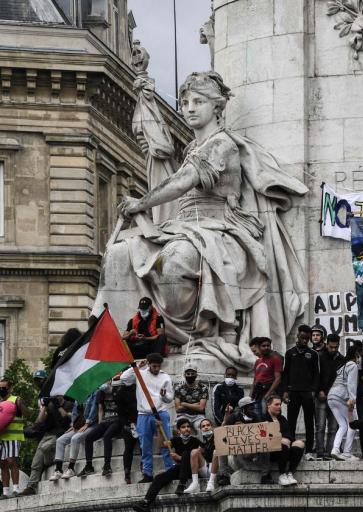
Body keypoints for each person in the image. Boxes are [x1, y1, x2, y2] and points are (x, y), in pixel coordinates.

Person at [93, 71, 308, 367]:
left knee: (176, 260)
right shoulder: (192, 148)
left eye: (198, 101)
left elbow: (184, 180)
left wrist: (141, 202)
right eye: (185, 102)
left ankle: (204, 333)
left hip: (221, 230)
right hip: (185, 228)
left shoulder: (222, 145)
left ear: (217, 107)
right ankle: (123, 346)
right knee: (118, 254)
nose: (189, 108)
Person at [119, 353, 174, 482]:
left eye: (158, 366)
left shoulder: (165, 376)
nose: (156, 369)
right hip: (143, 414)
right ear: (148, 364)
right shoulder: (140, 374)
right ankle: (147, 474)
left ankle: (170, 470)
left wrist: (163, 396)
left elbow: (170, 397)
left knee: (166, 443)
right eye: (154, 366)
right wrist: (136, 367)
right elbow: (123, 378)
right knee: (145, 445)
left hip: (160, 412)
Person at [132, 417, 203, 512]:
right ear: (178, 431)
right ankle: (146, 502)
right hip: (179, 469)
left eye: (188, 426)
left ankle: (182, 484)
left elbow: (199, 459)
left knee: (187, 453)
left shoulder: (196, 441)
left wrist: (179, 458)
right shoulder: (176, 440)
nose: (186, 429)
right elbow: (161, 444)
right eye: (183, 427)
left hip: (192, 470)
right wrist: (159, 430)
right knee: (159, 477)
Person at [18, 395, 72, 495]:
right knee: (36, 462)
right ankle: (31, 487)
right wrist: (43, 407)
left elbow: (66, 417)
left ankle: (49, 462)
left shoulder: (69, 404)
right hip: (47, 434)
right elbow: (39, 421)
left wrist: (58, 406)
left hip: (61, 434)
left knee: (45, 448)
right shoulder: (50, 405)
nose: (54, 395)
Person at [282, 324, 319, 456]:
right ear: (298, 336)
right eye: (302, 337)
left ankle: (309, 449)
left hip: (307, 392)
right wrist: (285, 391)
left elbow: (316, 374)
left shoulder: (313, 354)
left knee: (310, 421)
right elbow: (285, 373)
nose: (304, 341)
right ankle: (291, 445)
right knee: (291, 420)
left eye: (307, 339)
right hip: (293, 392)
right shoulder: (290, 353)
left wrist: (313, 390)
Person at [51, 388, 100, 479]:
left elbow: (94, 409)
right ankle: (58, 470)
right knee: (60, 440)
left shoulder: (95, 393)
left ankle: (71, 468)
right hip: (80, 425)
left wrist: (87, 423)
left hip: (91, 425)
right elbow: (74, 412)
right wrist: (73, 425)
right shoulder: (80, 396)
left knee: (75, 438)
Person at [81, 380, 123, 476]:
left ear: (110, 381)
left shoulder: (117, 391)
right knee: (89, 437)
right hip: (106, 421)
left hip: (117, 420)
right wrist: (100, 424)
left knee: (107, 436)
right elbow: (100, 410)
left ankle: (107, 465)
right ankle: (89, 466)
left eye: (105, 381)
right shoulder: (100, 393)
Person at [263, 394, 305, 487]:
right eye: (276, 404)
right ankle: (282, 475)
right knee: (282, 444)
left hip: (285, 448)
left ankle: (290, 473)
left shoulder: (282, 419)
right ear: (268, 405)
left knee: (300, 444)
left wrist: (287, 440)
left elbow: (289, 435)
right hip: (271, 452)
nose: (279, 407)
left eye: (280, 404)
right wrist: (280, 439)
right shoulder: (263, 418)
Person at [327, 343, 359, 461]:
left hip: (331, 396)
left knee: (343, 425)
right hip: (342, 396)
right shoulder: (353, 365)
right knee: (353, 424)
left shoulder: (342, 366)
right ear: (357, 354)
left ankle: (335, 449)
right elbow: (351, 384)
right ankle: (346, 453)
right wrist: (352, 400)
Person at [316, 333, 343, 459]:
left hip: (336, 397)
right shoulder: (319, 356)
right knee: (320, 426)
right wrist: (319, 390)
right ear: (326, 344)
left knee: (333, 427)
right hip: (321, 396)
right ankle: (320, 452)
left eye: (336, 347)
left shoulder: (341, 359)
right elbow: (314, 376)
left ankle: (329, 452)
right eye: (331, 347)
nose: (333, 349)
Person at [0, 378, 26, 498]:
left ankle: (16, 489)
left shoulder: (16, 400)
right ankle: (5, 491)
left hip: (14, 436)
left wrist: (21, 406)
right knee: (3, 464)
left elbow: (27, 414)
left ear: (10, 388)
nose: (1, 390)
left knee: (12, 461)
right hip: (1, 437)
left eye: (4, 388)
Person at [113, 375, 140, 484]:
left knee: (143, 445)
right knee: (128, 447)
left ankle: (144, 467)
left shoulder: (138, 389)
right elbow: (120, 412)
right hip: (128, 423)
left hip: (140, 420)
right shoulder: (120, 393)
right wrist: (126, 424)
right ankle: (127, 472)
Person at [249, 337, 283, 418]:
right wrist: (250, 394)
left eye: (268, 345)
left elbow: (278, 378)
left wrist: (268, 394)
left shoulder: (276, 359)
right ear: (259, 347)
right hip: (257, 393)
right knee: (257, 417)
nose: (266, 347)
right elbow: (255, 380)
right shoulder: (258, 361)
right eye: (263, 346)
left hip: (268, 392)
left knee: (267, 417)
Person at [183, 418, 218, 493]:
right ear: (200, 429)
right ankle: (195, 484)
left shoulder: (218, 437)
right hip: (206, 468)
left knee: (216, 451)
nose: (206, 427)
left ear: (212, 427)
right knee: (194, 451)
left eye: (208, 425)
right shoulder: (201, 442)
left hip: (217, 469)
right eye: (203, 426)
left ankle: (211, 482)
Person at [174, 364, 208, 432]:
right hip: (183, 415)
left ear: (196, 375)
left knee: (203, 428)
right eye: (188, 374)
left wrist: (184, 404)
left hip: (198, 416)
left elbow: (201, 408)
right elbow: (178, 408)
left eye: (192, 373)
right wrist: (196, 404)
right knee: (176, 428)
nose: (190, 375)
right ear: (184, 375)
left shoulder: (203, 388)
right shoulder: (178, 388)